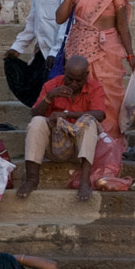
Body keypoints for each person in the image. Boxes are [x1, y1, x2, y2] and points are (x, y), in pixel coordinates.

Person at [57, 0, 134, 133]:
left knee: (108, 95)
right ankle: (81, 138)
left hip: (106, 51)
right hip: (78, 53)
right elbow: (59, 18)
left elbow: (122, 26)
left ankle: (109, 141)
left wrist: (130, 55)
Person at [21, 55, 109, 199]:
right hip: (54, 145)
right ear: (64, 71)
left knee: (90, 121)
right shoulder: (52, 85)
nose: (73, 84)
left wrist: (66, 114)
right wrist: (49, 97)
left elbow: (99, 114)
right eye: (69, 79)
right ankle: (31, 179)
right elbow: (34, 113)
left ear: (86, 75)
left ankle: (85, 181)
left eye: (78, 80)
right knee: (37, 122)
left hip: (79, 149)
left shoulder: (95, 87)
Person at [4, 0, 69, 111]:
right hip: (42, 53)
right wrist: (17, 47)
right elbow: (32, 23)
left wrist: (55, 52)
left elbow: (66, 25)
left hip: (60, 56)